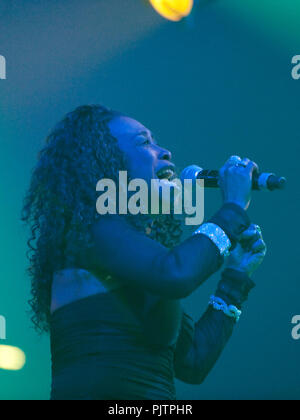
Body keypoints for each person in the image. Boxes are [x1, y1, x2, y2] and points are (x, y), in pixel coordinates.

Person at [21, 104, 267, 400]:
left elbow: (193, 361)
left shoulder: (138, 260)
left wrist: (235, 278)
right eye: (143, 141)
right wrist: (232, 209)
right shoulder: (92, 231)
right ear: (104, 163)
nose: (165, 152)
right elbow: (177, 274)